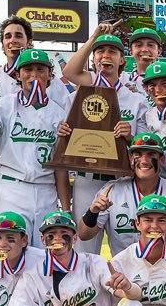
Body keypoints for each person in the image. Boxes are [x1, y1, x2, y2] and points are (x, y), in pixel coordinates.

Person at [60, 26, 149, 253]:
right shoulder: (78, 96)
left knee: (126, 249)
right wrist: (64, 132)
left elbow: (144, 147)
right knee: (84, 250)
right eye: (100, 51)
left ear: (122, 60)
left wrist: (130, 136)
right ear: (93, 59)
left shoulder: (135, 100)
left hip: (121, 180)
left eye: (112, 51)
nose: (105, 56)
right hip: (87, 179)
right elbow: (65, 140)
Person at [0, 49, 73, 236]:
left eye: (41, 69)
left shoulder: (59, 113)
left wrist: (65, 208)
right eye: (28, 69)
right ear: (18, 74)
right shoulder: (5, 104)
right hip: (12, 188)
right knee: (10, 250)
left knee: (43, 255)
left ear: (50, 74)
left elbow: (60, 168)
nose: (34, 75)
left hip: (46, 190)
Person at [79, 132, 166, 266]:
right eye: (138, 154)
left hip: (165, 272)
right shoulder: (113, 190)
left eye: (151, 155)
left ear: (162, 159)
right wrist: (92, 212)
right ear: (130, 157)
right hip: (123, 271)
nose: (144, 160)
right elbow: (84, 234)